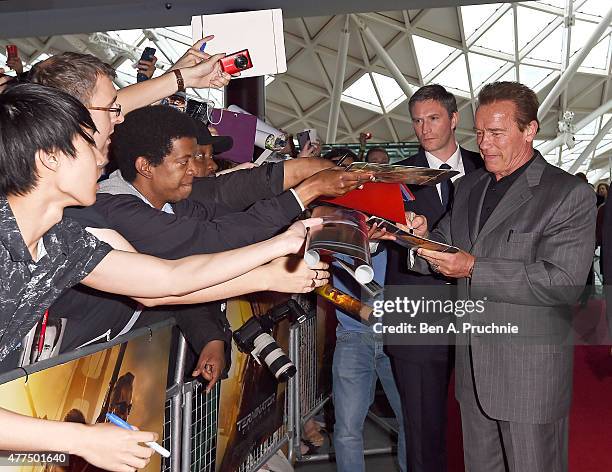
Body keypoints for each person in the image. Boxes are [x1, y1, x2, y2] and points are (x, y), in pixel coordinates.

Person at [0, 83, 327, 470]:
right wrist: (80, 438)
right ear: (50, 158)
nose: (104, 155)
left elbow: (164, 281)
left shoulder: (63, 241)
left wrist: (271, 263)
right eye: (89, 143)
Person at [408, 81, 596, 471]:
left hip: (529, 379)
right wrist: (417, 238)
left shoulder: (566, 194)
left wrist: (475, 267)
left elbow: (563, 282)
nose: (485, 144)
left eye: (496, 133)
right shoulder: (470, 186)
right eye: (479, 133)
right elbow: (444, 245)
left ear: (530, 130)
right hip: (473, 376)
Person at [384, 84, 482, 472]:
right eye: (418, 120)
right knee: (423, 429)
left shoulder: (487, 166)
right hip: (416, 314)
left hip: (481, 314)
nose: (424, 128)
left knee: (480, 424)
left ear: (454, 119)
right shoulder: (395, 176)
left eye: (433, 118)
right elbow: (379, 236)